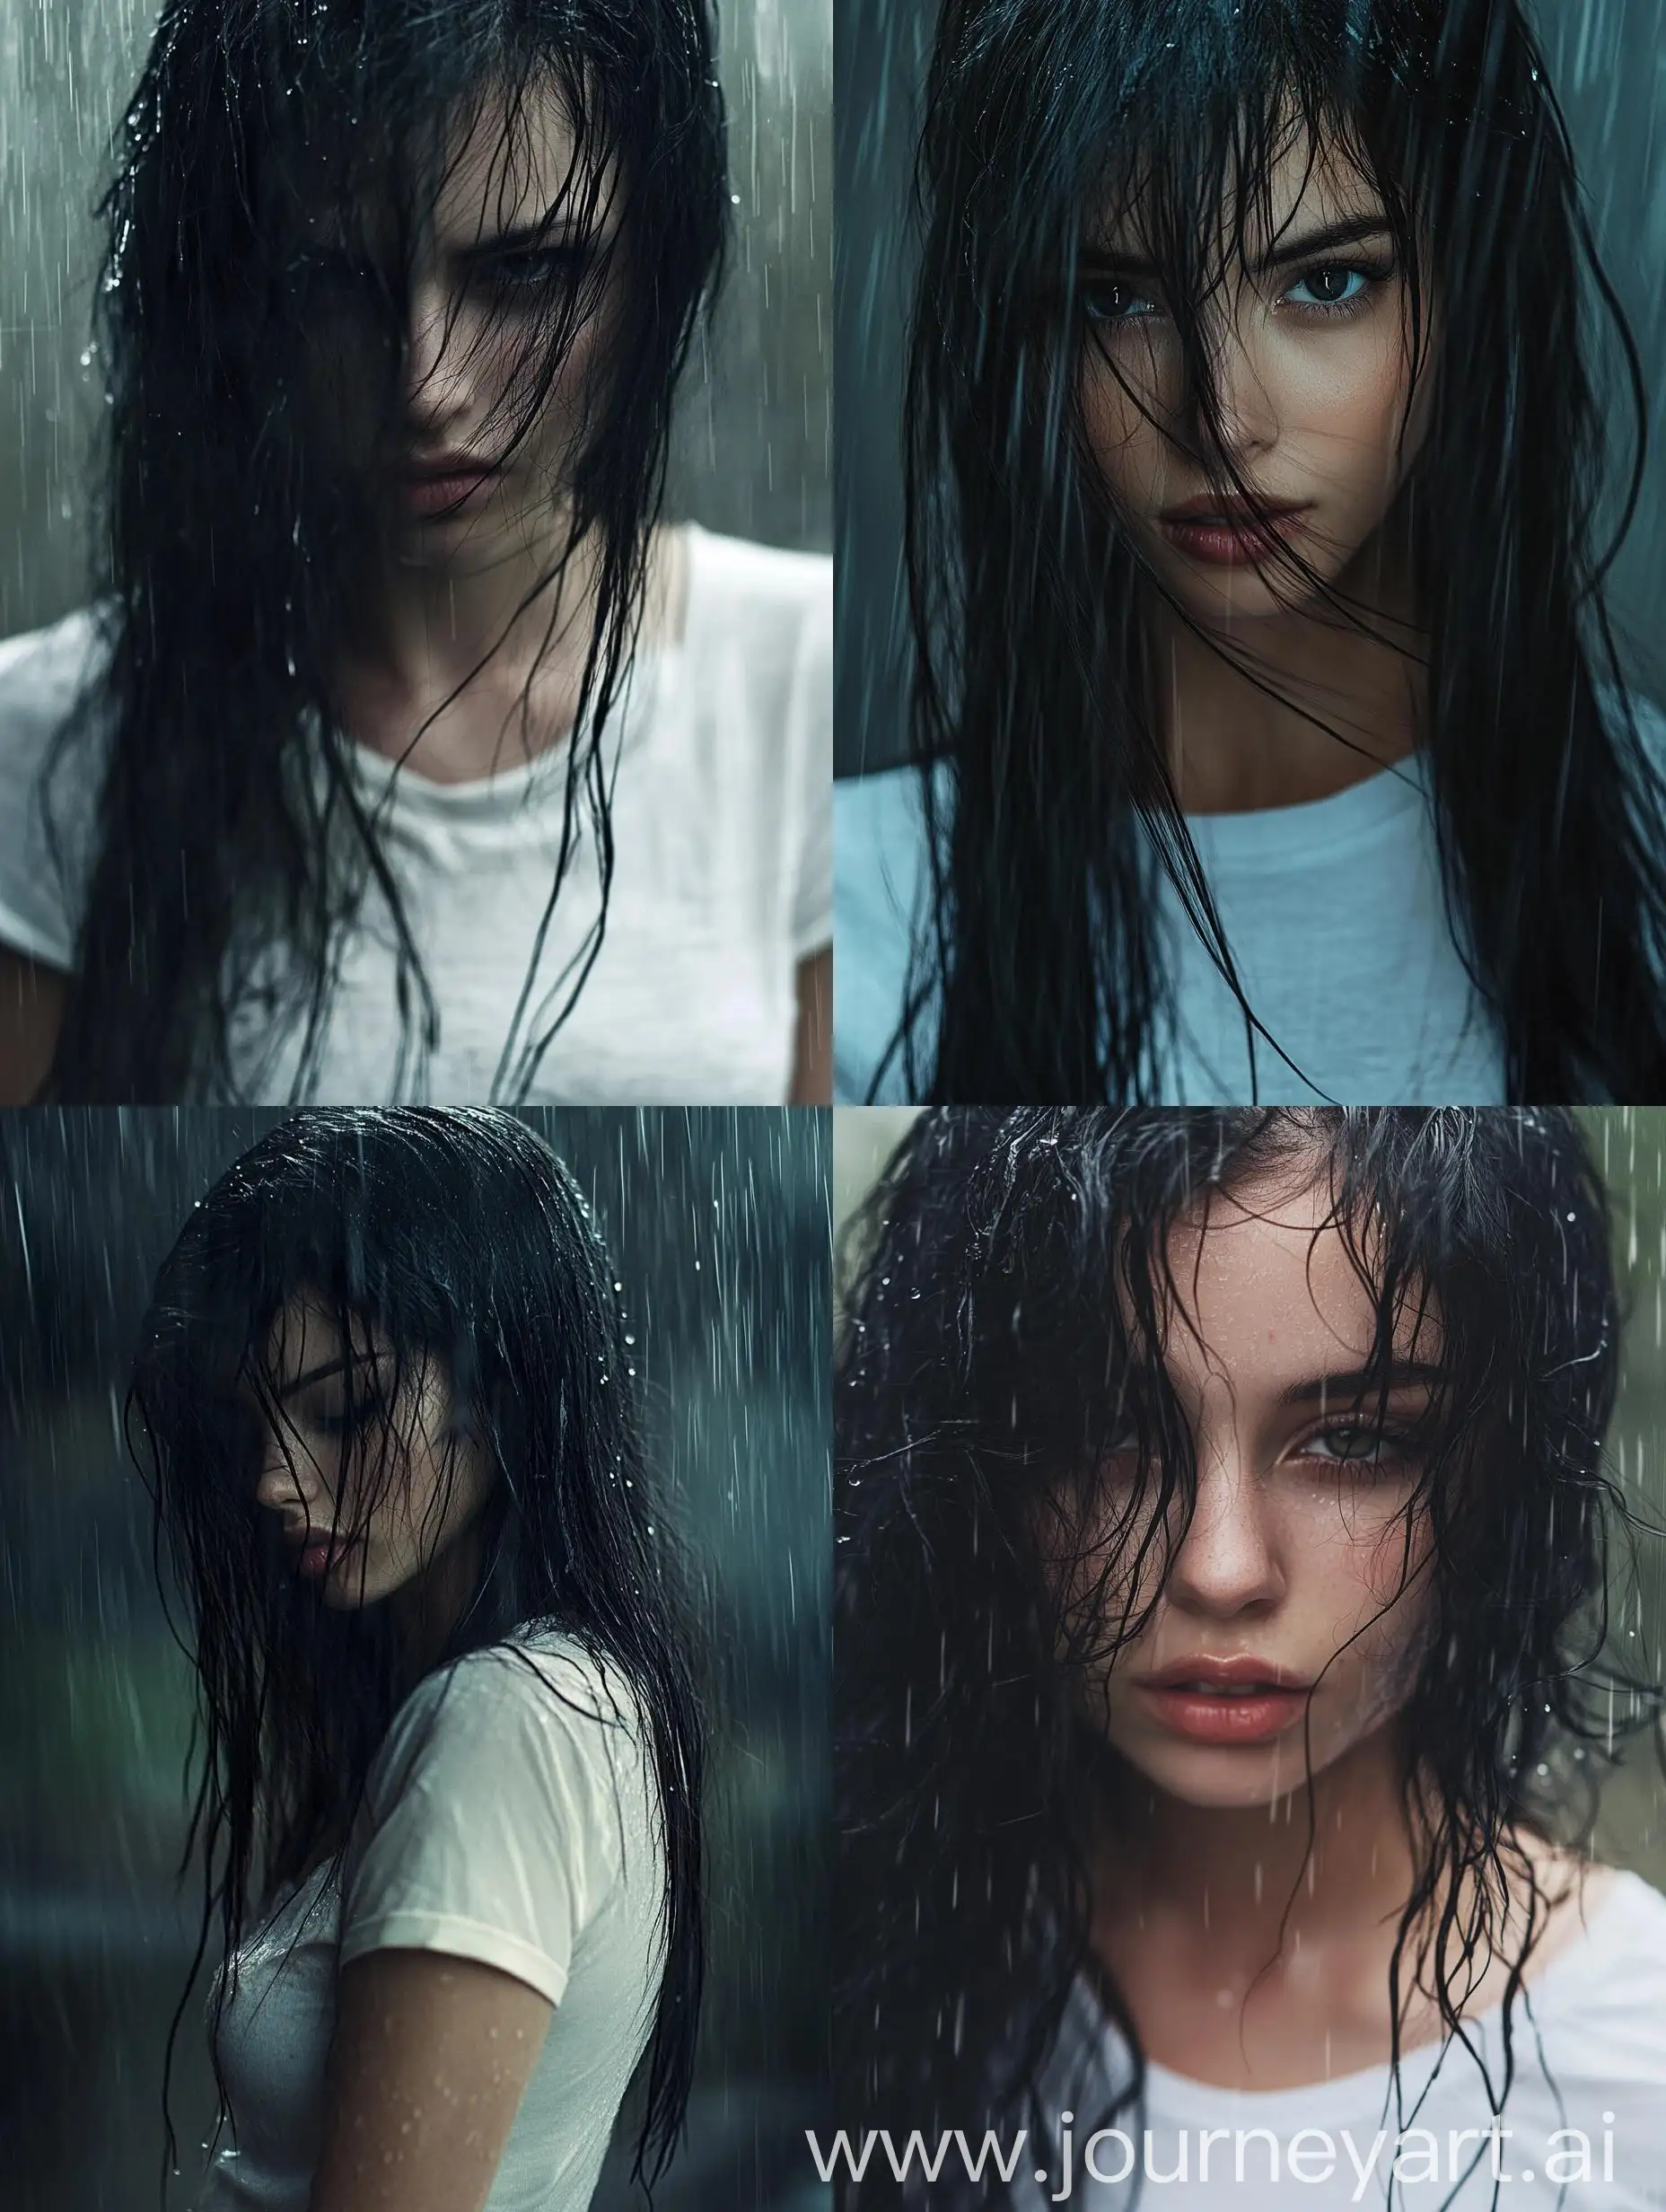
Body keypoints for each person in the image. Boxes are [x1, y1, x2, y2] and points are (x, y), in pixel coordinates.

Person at [834, 0, 1666, 1105]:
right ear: (1031, 333)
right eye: (1119, 299)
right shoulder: (858, 917)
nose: (1220, 417)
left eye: (1324, 282)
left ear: (1468, 286)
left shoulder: (1645, 844)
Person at [0, 0, 831, 1106]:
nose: (427, 383)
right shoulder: (49, 738)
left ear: (653, 269)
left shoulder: (798, 677)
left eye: (524, 274)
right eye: (339, 282)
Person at [835, 1109, 1666, 2208]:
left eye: (1355, 1440)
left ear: (1491, 1480)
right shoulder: (871, 1971)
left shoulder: (1635, 2057)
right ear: (978, 1465)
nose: (1219, 1570)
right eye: (1106, 1431)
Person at [127, 1109, 702, 2210]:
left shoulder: (508, 1724)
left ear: (502, 1387)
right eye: (252, 1430)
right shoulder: (568, 1696)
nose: (273, 1482)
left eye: (343, 1408)